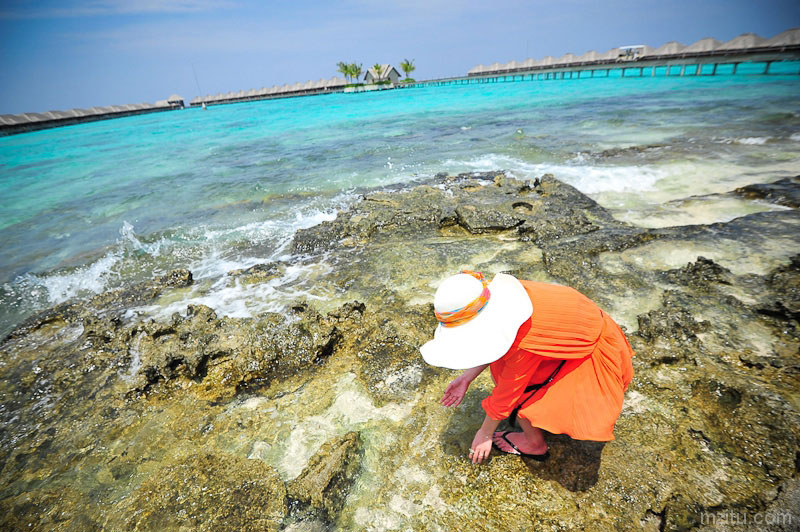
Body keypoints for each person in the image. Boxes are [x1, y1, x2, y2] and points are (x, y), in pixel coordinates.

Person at [420, 270, 634, 464]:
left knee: (518, 391)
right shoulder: (503, 299)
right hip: (580, 321)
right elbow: (495, 342)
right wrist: (467, 377)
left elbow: (508, 392)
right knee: (506, 368)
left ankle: (534, 443)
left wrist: (485, 434)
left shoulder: (524, 340)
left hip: (585, 346)